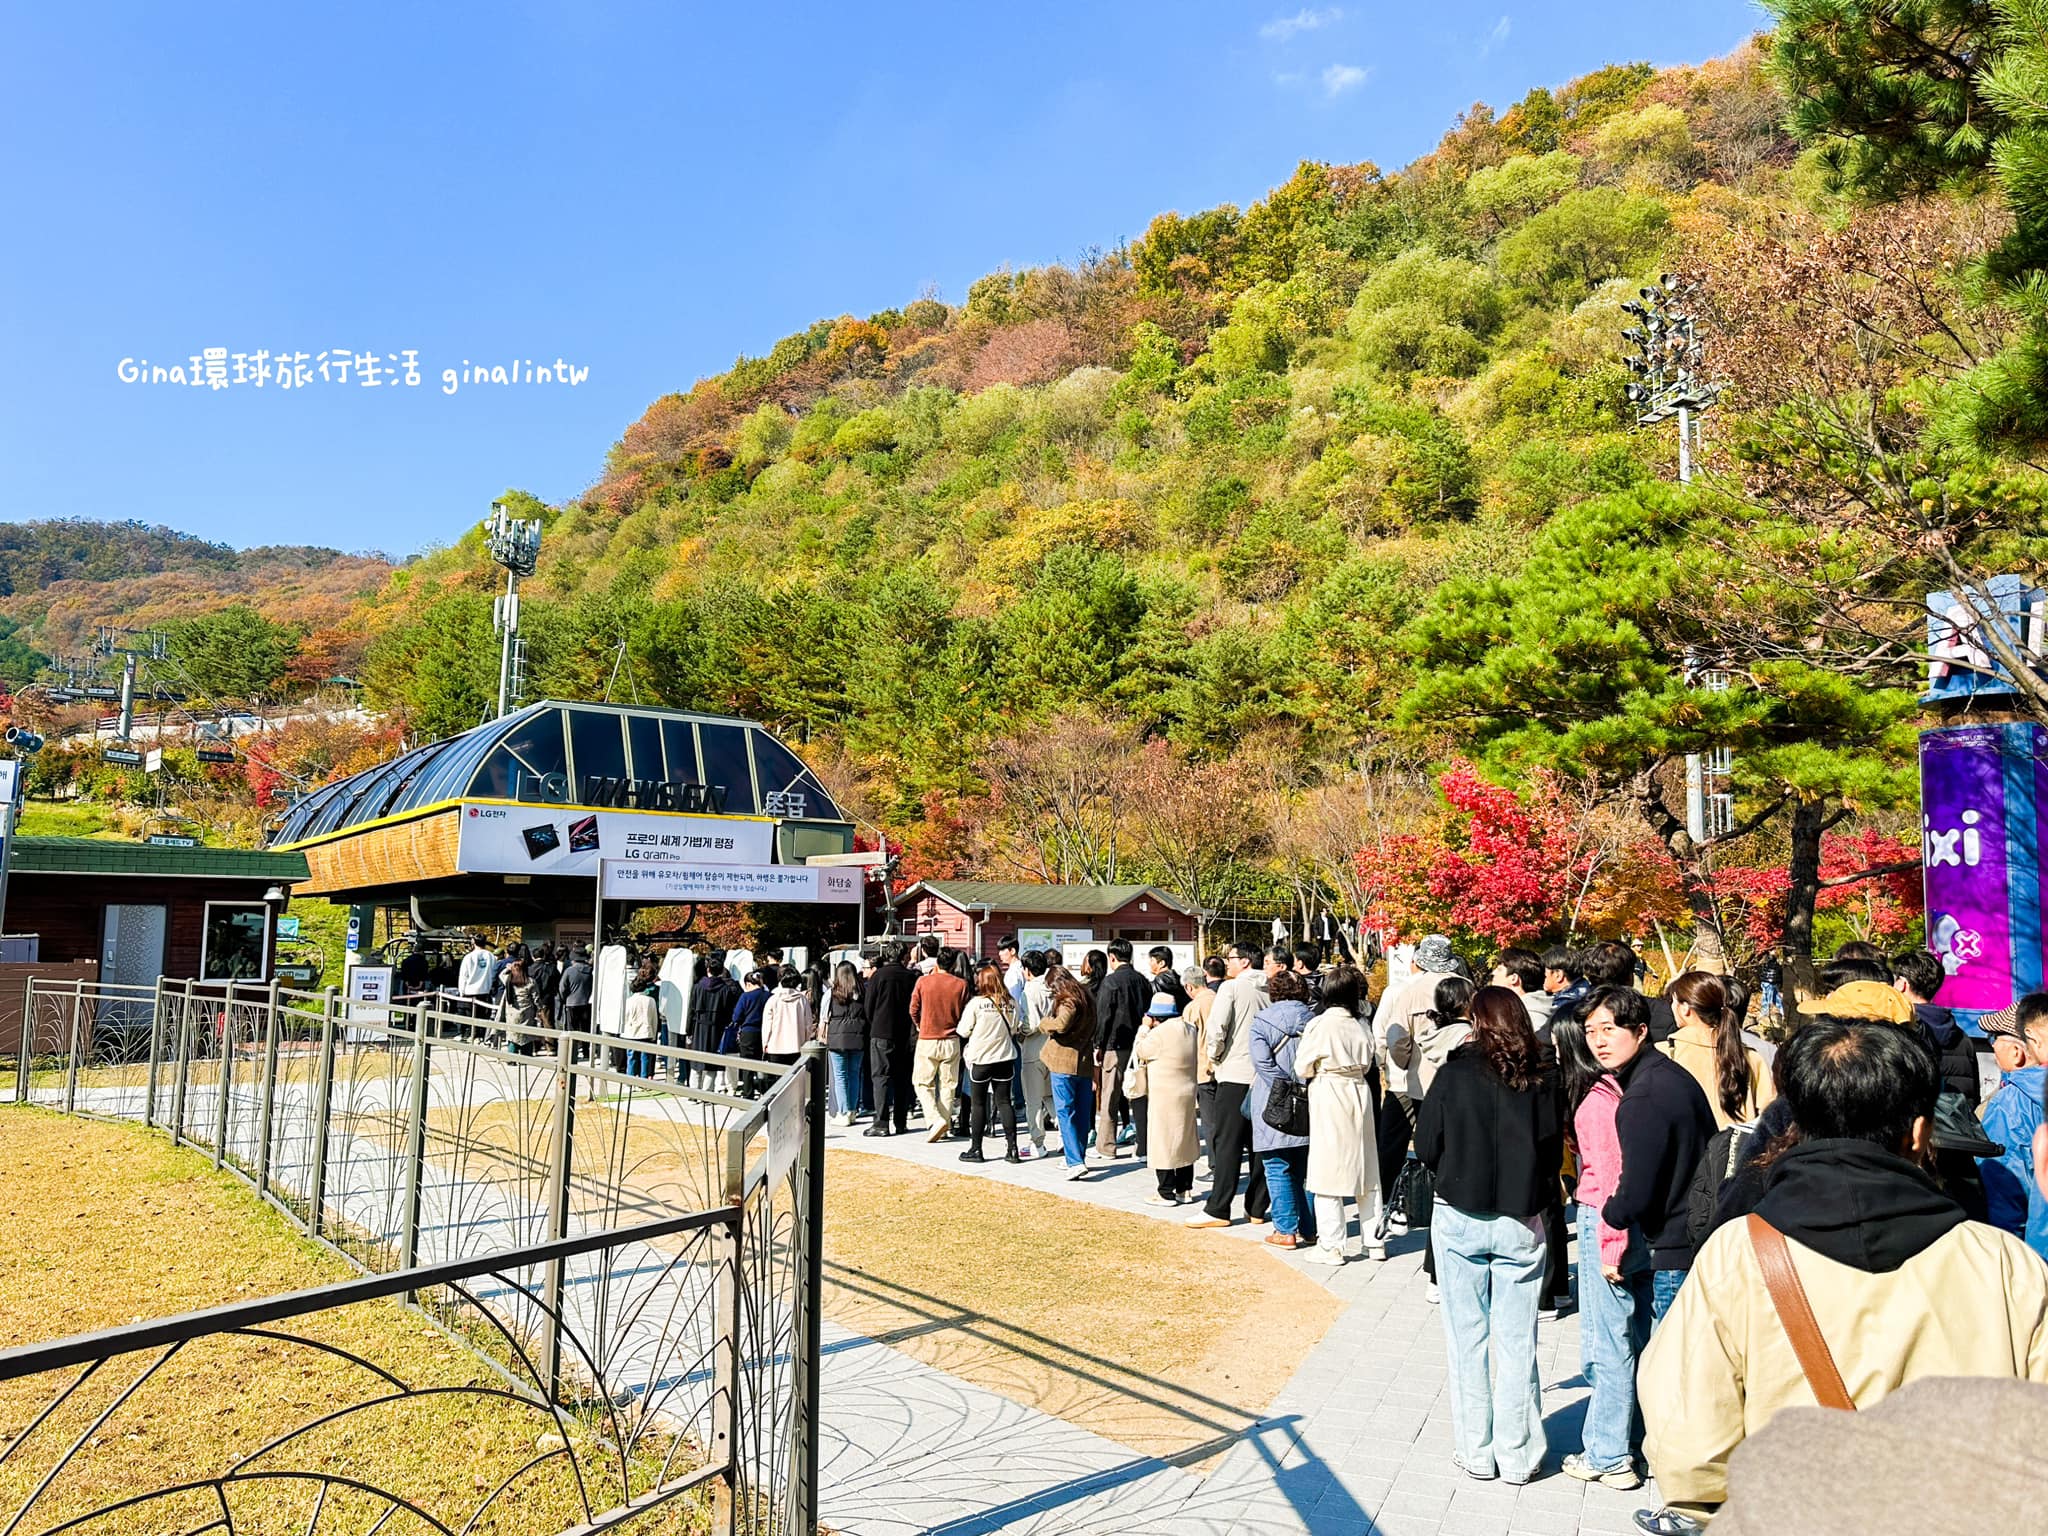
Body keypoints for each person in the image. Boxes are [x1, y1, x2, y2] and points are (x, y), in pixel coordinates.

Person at [1635, 1019, 2048, 1531]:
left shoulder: (1738, 1255)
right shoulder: (2004, 1265)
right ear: (1920, 1135)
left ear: (1793, 1128)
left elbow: (1690, 1445)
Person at [1415, 985, 1562, 1485]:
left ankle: (1476, 1450)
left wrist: (1453, 1166)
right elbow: (1551, 1148)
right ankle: (1518, 1455)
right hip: (1521, 1215)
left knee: (1466, 1339)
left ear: (1476, 1021)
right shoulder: (1542, 1075)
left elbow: (1426, 1141)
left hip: (1460, 1210)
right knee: (1519, 1340)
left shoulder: (1455, 1072)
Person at [1554, 1009, 1651, 1491]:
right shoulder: (1622, 1089)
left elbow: (1610, 1177)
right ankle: (1632, 1441)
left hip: (1604, 1220)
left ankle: (1609, 1453)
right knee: (1630, 1334)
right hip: (1629, 1225)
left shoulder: (1596, 1103)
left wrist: (1609, 1246)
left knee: (1606, 1341)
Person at [1591, 986, 1715, 1325]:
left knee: (1674, 1366)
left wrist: (1611, 1213)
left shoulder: (1643, 1096)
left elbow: (1637, 1189)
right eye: (1591, 1031)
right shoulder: (1663, 1073)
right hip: (1691, 1232)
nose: (1599, 1041)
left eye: (1609, 1029)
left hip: (1675, 1243)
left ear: (1640, 1031)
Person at [1299, 963, 1384, 1264]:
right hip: (1359, 1091)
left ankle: (1332, 1245)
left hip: (1329, 1090)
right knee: (1366, 1167)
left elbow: (1301, 1066)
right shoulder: (1362, 1023)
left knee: (1327, 1168)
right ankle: (1374, 1242)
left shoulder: (1320, 1025)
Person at [1186, 941, 1271, 1229]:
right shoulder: (1271, 987)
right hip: (1266, 1076)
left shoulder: (1231, 988)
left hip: (1235, 1072)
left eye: (1232, 957)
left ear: (1245, 961)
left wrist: (1214, 1057)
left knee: (1227, 1144)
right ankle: (1257, 1207)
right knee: (1261, 1145)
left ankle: (1218, 1207)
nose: (1228, 962)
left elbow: (1217, 1029)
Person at [1372, 934, 1460, 1196]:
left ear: (1418, 961)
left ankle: (1389, 1198)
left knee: (1392, 1143)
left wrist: (1402, 1063)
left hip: (1409, 1080)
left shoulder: (1403, 990)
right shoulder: (1464, 987)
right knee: (1447, 1142)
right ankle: (1445, 1195)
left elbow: (1391, 1034)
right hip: (1455, 1080)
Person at [1249, 969, 1317, 1250]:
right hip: (1308, 1097)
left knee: (1276, 1165)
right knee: (1306, 1169)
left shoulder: (1261, 1021)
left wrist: (1281, 1084)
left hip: (1271, 1099)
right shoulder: (1315, 1020)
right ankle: (1310, 1228)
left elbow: (1261, 1062)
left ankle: (1285, 1229)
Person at [1657, 971, 1773, 1131]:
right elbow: (1770, 1115)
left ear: (1685, 1008)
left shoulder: (1663, 1054)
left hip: (1687, 1153)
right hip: (1738, 1151)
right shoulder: (1750, 1057)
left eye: (1673, 1001)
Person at [1978, 996, 2048, 1261]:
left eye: (1994, 1038)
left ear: (2017, 1051)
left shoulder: (2010, 1105)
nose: (1993, 1046)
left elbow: (2005, 1200)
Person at [1893, 947, 1981, 1106]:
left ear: (1902, 984)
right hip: (1955, 1126)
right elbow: (1972, 1095)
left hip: (1918, 1127)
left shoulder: (1900, 1033)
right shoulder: (1962, 1037)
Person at [1135, 984, 1199, 1204]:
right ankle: (1184, 1189)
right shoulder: (1190, 1029)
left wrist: (1144, 1028)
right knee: (1185, 1140)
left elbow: (1140, 1050)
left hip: (1164, 1095)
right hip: (1188, 1092)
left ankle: (1165, 1191)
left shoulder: (1158, 1034)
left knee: (1162, 1141)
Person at [957, 963, 1021, 1163]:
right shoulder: (1011, 1002)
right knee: (1004, 1102)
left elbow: (963, 1030)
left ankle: (976, 1149)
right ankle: (1012, 1149)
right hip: (1004, 1057)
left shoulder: (976, 1003)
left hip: (981, 1058)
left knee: (978, 1103)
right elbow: (1015, 1028)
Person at [1039, 963, 1097, 1181]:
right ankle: (1077, 1155)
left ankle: (1074, 1161)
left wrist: (1045, 1024)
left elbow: (1062, 1024)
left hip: (1064, 1061)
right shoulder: (1087, 996)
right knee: (1082, 1112)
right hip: (1084, 1060)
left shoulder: (1069, 1000)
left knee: (1065, 1111)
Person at [1095, 939, 1150, 1160]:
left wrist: (1098, 1044)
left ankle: (1106, 1146)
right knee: (1140, 1094)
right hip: (1140, 1045)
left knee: (1110, 1096)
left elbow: (1104, 1017)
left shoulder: (1110, 982)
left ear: (1112, 957)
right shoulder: (1143, 981)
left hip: (1114, 1045)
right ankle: (1143, 1145)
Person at [909, 946, 968, 1140]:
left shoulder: (923, 981)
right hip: (952, 1039)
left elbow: (913, 1008)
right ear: (952, 964)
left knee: (922, 1083)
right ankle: (945, 1122)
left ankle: (935, 1120)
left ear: (937, 963)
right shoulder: (961, 984)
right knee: (948, 1085)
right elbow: (965, 1012)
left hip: (927, 1038)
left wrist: (920, 1025)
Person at [863, 944, 917, 1136]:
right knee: (902, 1078)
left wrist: (874, 1022)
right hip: (904, 1032)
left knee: (881, 1077)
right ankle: (901, 1122)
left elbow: (868, 1006)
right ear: (903, 956)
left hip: (881, 1031)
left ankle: (881, 1122)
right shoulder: (911, 977)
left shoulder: (878, 976)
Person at [817, 960, 867, 1125]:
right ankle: (852, 1110)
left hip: (837, 1038)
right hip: (858, 1037)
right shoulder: (862, 992)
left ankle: (843, 1112)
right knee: (854, 1074)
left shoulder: (832, 993)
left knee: (840, 1076)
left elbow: (824, 1016)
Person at [689, 951, 740, 1088]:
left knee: (696, 1061)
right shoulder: (725, 989)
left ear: (708, 969)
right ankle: (707, 1093)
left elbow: (692, 1008)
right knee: (712, 1063)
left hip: (699, 1026)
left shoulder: (698, 986)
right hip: (717, 1027)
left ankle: (693, 1093)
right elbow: (729, 1011)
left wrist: (689, 1030)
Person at [1493, 947, 1553, 1040]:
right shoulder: (1541, 1008)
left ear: (1514, 978)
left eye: (1499, 969)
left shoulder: (1531, 1018)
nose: (1493, 973)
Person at [761, 965, 813, 1071]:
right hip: (797, 1045)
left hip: (775, 1047)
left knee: (777, 1082)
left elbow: (767, 1025)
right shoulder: (802, 1000)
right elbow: (808, 1025)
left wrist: (765, 1043)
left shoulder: (773, 1000)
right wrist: (806, 1041)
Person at [730, 969, 769, 1095]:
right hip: (764, 1032)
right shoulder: (768, 996)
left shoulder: (745, 996)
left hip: (748, 1032)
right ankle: (765, 1092)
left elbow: (736, 1017)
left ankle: (748, 1094)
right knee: (762, 1064)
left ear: (748, 984)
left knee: (747, 1065)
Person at [621, 962, 660, 1079]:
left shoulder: (629, 1001)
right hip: (646, 1032)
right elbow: (654, 1018)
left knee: (631, 1056)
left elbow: (626, 1018)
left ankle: (630, 1078)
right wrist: (653, 1033)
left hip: (631, 1032)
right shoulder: (650, 1000)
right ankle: (644, 1079)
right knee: (645, 1057)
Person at [559, 946, 594, 1060]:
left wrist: (564, 998)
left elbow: (562, 988)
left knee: (571, 1029)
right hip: (586, 1003)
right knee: (585, 1029)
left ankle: (572, 1052)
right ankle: (586, 1051)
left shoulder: (569, 970)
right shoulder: (590, 971)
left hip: (571, 1003)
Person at [501, 956, 538, 1056]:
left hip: (512, 1012)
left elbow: (501, 974)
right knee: (527, 1035)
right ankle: (526, 1056)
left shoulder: (509, 981)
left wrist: (508, 968)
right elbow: (536, 998)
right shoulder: (530, 981)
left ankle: (511, 1057)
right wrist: (539, 1009)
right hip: (527, 1012)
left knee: (513, 1035)